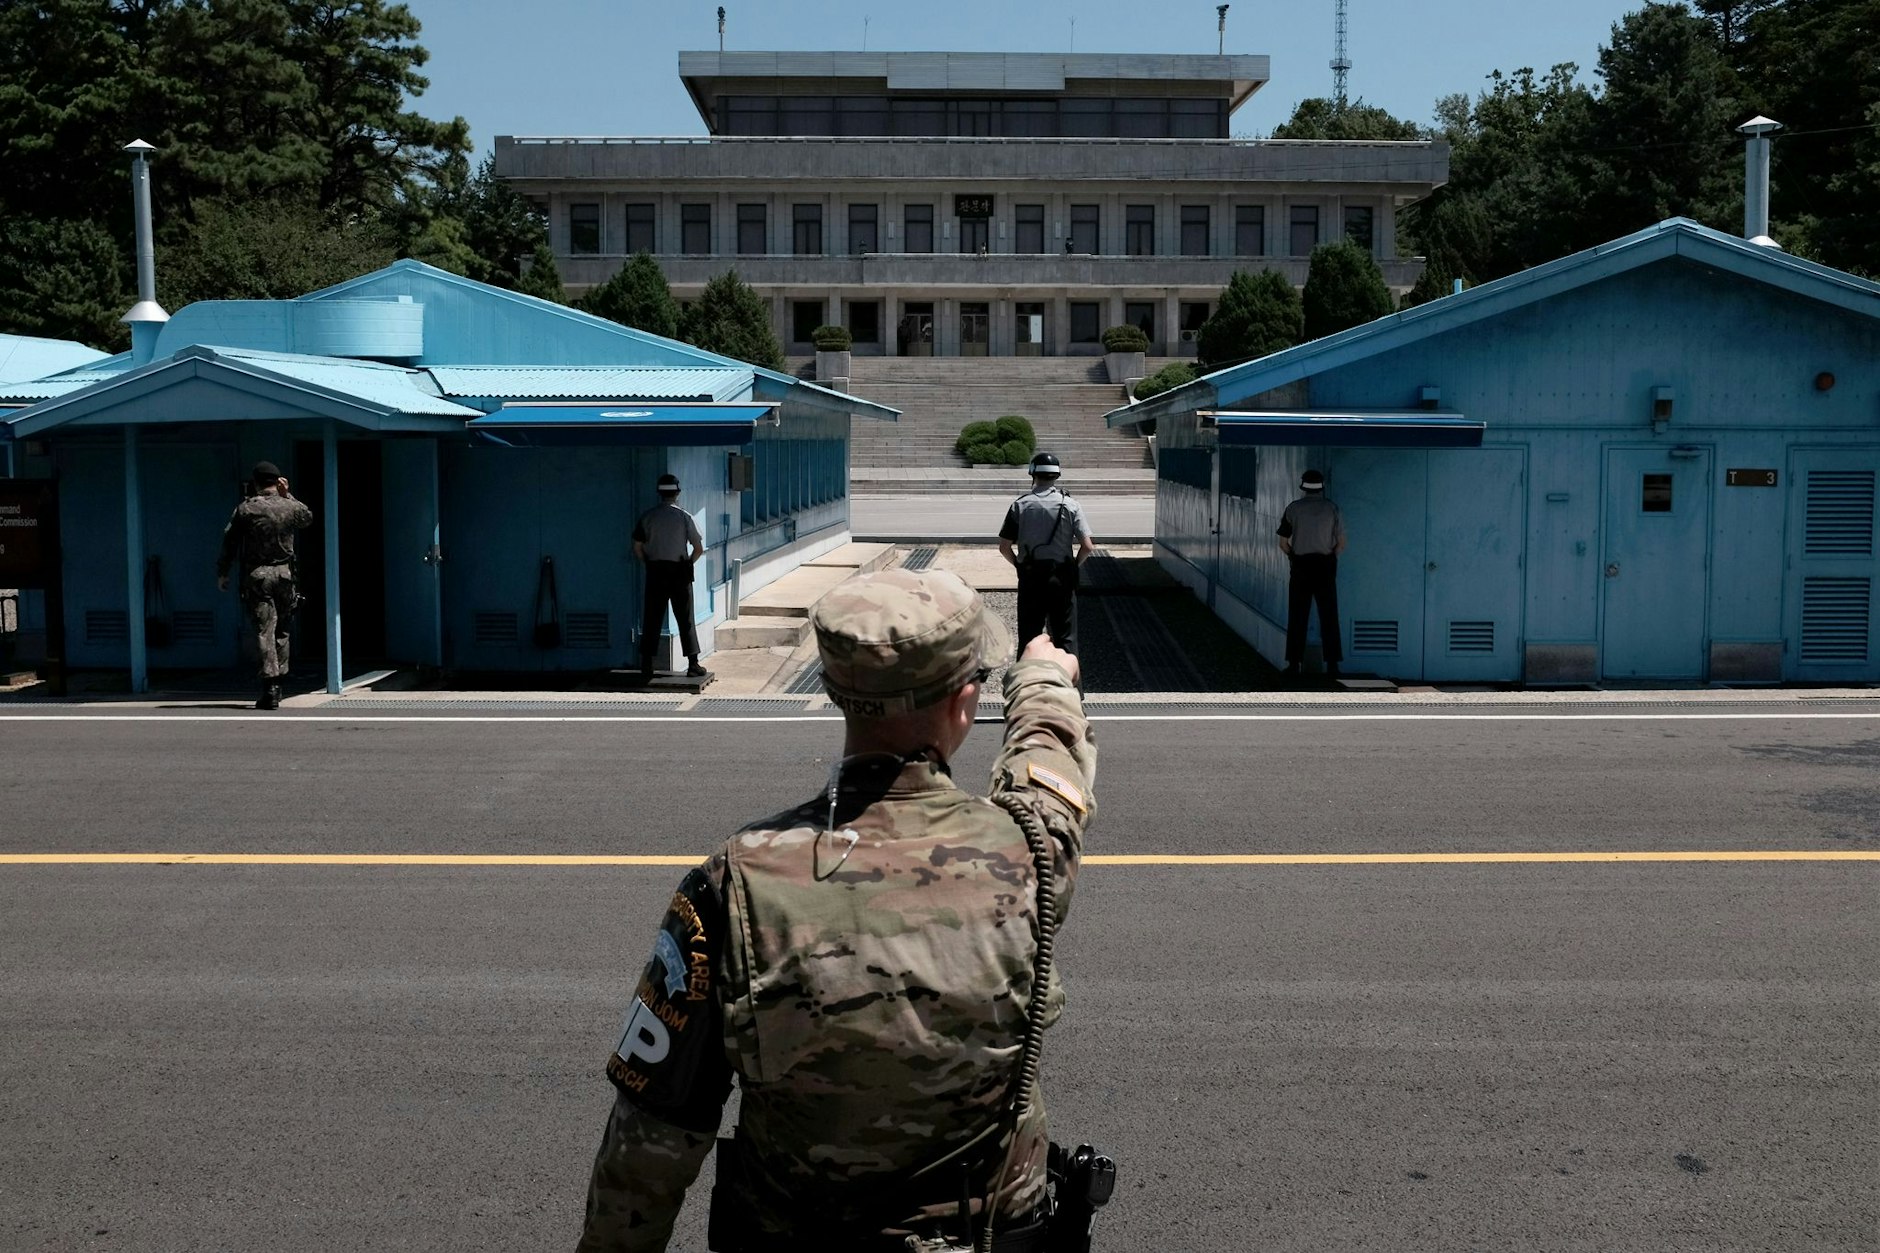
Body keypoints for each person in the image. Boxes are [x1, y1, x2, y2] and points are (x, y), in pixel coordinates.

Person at [576, 568, 1097, 1253]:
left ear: (832, 690)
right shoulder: (1025, 857)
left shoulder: (735, 883)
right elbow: (1050, 777)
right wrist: (1042, 680)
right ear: (965, 702)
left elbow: (652, 1137)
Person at [215, 461, 313, 710]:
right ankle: (279, 683)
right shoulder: (290, 506)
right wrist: (287, 494)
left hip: (258, 576)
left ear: (256, 482)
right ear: (278, 481)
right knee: (282, 630)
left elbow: (230, 541)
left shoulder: (247, 508)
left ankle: (269, 687)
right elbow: (307, 518)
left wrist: (223, 572)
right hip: (285, 576)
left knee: (264, 630)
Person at [998, 452, 1095, 657]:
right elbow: (1087, 546)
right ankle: (1070, 687)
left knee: (1029, 636)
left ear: (1033, 474)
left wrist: (1018, 565)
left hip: (1031, 576)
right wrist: (1073, 566)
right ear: (1056, 476)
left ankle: (1025, 686)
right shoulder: (1071, 505)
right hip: (1061, 576)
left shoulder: (1020, 505)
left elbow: (1004, 547)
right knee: (1066, 638)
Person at [632, 474, 707, 681]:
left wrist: (648, 561)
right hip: (679, 571)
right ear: (677, 493)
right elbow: (698, 548)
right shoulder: (684, 517)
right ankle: (693, 664)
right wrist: (688, 563)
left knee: (652, 617)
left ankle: (647, 664)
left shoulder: (648, 517)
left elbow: (637, 547)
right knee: (685, 618)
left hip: (655, 570)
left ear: (659, 493)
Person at [1277, 468, 1347, 680]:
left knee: (1298, 614)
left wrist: (1293, 557)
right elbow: (1342, 542)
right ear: (1322, 487)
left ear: (1303, 487)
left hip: (1300, 565)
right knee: (1329, 614)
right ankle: (1333, 664)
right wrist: (1331, 556)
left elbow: (1282, 543)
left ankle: (1294, 663)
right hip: (1325, 564)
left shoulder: (1293, 509)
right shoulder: (1332, 509)